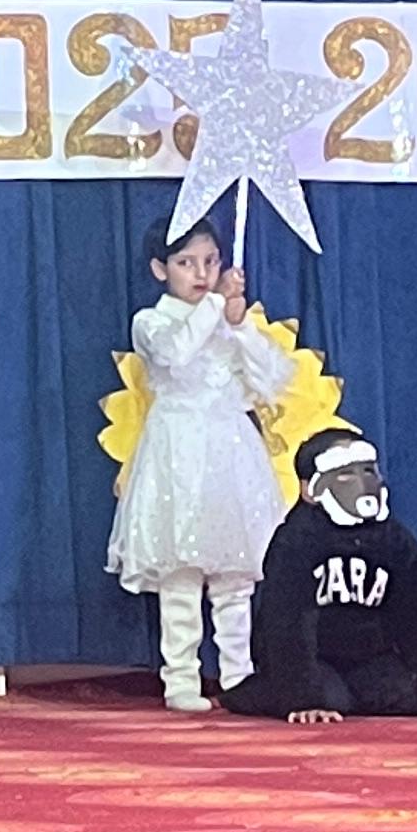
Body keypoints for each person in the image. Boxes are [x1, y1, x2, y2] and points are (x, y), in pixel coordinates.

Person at [111, 218, 290, 715]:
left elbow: (272, 379)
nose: (202, 273)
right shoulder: (151, 322)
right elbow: (177, 355)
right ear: (160, 269)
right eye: (186, 263)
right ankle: (181, 678)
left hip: (230, 449)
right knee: (181, 573)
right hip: (179, 453)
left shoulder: (225, 316)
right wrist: (215, 307)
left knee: (236, 576)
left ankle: (238, 675)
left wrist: (241, 325)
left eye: (211, 262)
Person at [221, 437, 417, 723]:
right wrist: (304, 698)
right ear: (309, 489)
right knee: (331, 700)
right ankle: (252, 692)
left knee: (406, 695)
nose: (362, 484)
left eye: (368, 471)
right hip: (313, 658)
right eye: (346, 474)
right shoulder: (295, 541)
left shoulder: (396, 541)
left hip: (369, 657)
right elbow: (286, 623)